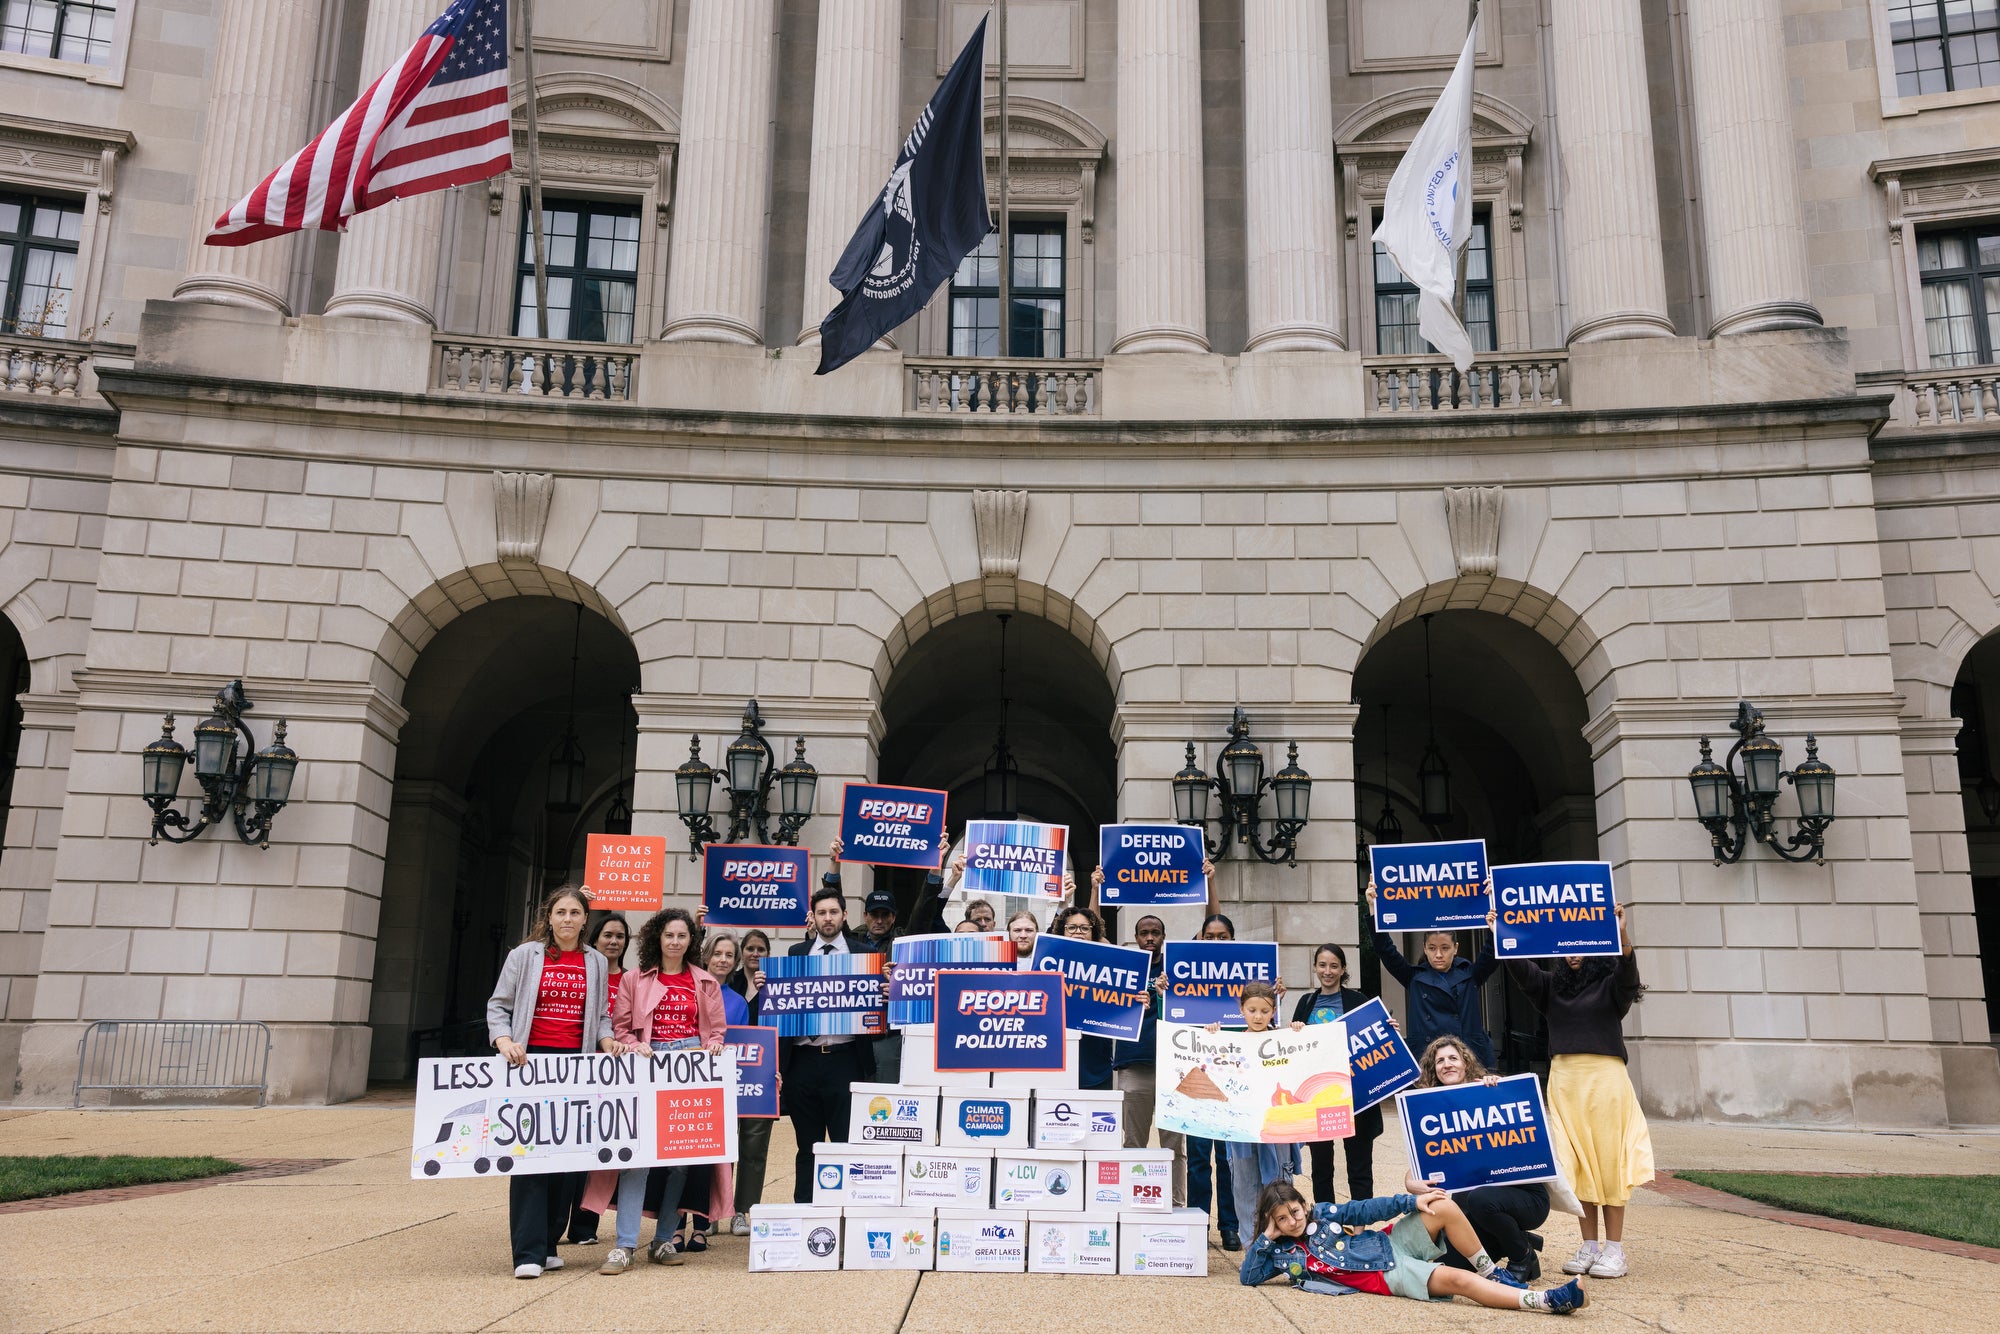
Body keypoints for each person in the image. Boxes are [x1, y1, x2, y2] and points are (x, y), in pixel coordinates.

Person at [1497, 905, 1651, 1280]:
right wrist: (1500, 928)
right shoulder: (1551, 986)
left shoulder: (1611, 985)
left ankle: (1615, 1250)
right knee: (1577, 1164)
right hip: (1565, 1082)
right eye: (1565, 943)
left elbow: (1629, 977)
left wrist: (1622, 935)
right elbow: (1521, 970)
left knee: (1609, 1160)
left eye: (1580, 942)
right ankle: (1590, 1245)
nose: (1573, 950)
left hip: (1605, 1081)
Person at [485, 886, 621, 1280]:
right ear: (549, 917)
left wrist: (607, 1040)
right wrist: (504, 1039)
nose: (567, 919)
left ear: (584, 920)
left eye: (575, 913)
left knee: (566, 1159)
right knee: (529, 1156)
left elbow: (600, 1016)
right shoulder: (523, 956)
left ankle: (547, 1244)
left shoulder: (595, 961)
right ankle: (526, 1252)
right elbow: (499, 1006)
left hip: (575, 1067)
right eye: (560, 912)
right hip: (529, 1064)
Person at [591, 908, 729, 1275]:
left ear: (690, 941)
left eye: (682, 936)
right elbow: (619, 1028)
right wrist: (634, 1046)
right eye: (669, 935)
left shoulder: (705, 982)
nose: (675, 942)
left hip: (689, 1070)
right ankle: (624, 1246)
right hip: (646, 1067)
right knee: (638, 1159)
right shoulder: (634, 980)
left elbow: (716, 1031)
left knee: (679, 1163)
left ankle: (664, 1239)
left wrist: (713, 1045)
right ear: (657, 938)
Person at [1241, 1180, 1588, 1314]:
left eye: (1295, 1212)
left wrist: (1411, 1201)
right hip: (1387, 1275)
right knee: (1457, 1281)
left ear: (1305, 1204)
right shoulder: (1283, 1256)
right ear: (1273, 1223)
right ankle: (1546, 1301)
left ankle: (1493, 1274)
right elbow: (1248, 1278)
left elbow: (1367, 1208)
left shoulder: (1326, 1213)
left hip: (1387, 1242)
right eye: (1282, 1220)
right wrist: (1268, 1237)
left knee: (1442, 1206)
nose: (1292, 1222)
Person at [1413, 1035, 1553, 1283]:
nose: (1447, 1064)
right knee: (1449, 1264)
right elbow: (1418, 1166)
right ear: (1433, 1070)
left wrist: (1502, 1091)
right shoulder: (1432, 1111)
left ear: (1466, 1063)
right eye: (1440, 1061)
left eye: (1453, 1058)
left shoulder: (1490, 1091)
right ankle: (1510, 1237)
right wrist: (1414, 1183)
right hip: (1477, 1210)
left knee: (1480, 1197)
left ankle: (1522, 1255)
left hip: (1524, 1198)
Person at [781, 884, 882, 1203]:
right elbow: (784, 1006)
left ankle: (843, 1211)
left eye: (833, 912)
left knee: (844, 1144)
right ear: (813, 916)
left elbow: (876, 1016)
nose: (828, 918)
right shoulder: (796, 954)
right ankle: (805, 1213)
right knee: (806, 1146)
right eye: (822, 913)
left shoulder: (865, 955)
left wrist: (886, 996)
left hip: (845, 1060)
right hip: (803, 1062)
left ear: (844, 915)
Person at [1366, 882, 1499, 1069]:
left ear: (1455, 948)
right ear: (1424, 949)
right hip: (1428, 1058)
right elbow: (1385, 950)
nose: (1438, 954)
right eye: (1432, 948)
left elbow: (1492, 952)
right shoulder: (1413, 977)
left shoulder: (1471, 974)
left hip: (1468, 1057)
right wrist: (1373, 907)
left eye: (1445, 948)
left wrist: (1494, 900)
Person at [1106, 906, 1184, 1205]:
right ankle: (1131, 1202)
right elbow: (1087, 945)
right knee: (1133, 1143)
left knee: (1174, 1147)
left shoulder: (1178, 967)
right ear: (1136, 937)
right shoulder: (1123, 966)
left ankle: (1176, 1204)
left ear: (1163, 936)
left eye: (1155, 933)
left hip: (1174, 1068)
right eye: (1144, 933)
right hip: (1133, 1063)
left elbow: (1210, 940)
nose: (1150, 937)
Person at [1291, 942, 1380, 1206]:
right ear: (1315, 968)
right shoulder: (1305, 1003)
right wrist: (1295, 1029)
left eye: (1333, 966)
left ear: (1343, 969)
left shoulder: (1359, 1001)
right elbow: (1295, 1051)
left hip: (1356, 1094)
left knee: (1360, 1163)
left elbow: (1377, 1039)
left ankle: (1362, 1224)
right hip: (1319, 1096)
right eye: (1322, 965)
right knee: (1321, 1165)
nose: (1327, 971)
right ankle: (1325, 1220)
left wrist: (1389, 1028)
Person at [1213, 980, 1305, 1233]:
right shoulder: (1229, 1043)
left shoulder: (1283, 1039)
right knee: (1244, 1187)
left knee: (1280, 1186)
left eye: (1264, 1011)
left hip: (1277, 1129)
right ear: (1241, 1010)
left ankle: (1285, 1243)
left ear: (1274, 1011)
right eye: (1252, 1010)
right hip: (1242, 1130)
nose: (1258, 1016)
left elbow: (1302, 1067)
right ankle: (1251, 1246)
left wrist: (1299, 1031)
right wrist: (1209, 1036)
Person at [562, 912, 631, 1246]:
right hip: (581, 1070)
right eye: (607, 935)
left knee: (601, 1151)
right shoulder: (582, 973)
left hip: (619, 1075)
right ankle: (558, 1220)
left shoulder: (631, 980)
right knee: (572, 1149)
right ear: (595, 938)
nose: (613, 941)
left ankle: (584, 1225)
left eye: (620, 936)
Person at [826, 836, 903, 1085]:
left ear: (893, 918)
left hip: (888, 1033)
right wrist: (834, 863)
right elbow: (833, 903)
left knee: (884, 1096)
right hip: (853, 1032)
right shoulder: (851, 939)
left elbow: (924, 912)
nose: (879, 920)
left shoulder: (903, 943)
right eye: (874, 915)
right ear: (865, 915)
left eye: (885, 915)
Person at [1186, 909, 1241, 1249]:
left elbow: (1259, 1017)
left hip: (1233, 1077)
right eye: (1210, 937)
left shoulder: (1245, 979)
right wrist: (1163, 994)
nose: (1217, 942)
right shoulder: (1187, 976)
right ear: (1201, 940)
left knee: (1227, 1158)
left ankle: (1230, 1226)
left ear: (1233, 941)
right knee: (1197, 1156)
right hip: (1197, 1077)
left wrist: (1274, 998)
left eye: (1223, 937)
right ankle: (1197, 1221)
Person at [724, 927, 772, 1236]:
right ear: (742, 952)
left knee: (754, 1147)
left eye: (761, 949)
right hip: (727, 1072)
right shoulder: (728, 982)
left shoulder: (776, 984)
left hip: (760, 1075)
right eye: (750, 948)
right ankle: (716, 1208)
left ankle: (742, 1211)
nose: (755, 953)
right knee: (723, 1146)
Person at [1050, 904, 1115, 1089]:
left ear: (1093, 933)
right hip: (1057, 1056)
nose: (1078, 932)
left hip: (1096, 1060)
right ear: (1062, 931)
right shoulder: (1048, 962)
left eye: (1085, 928)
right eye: (1071, 927)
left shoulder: (1109, 965)